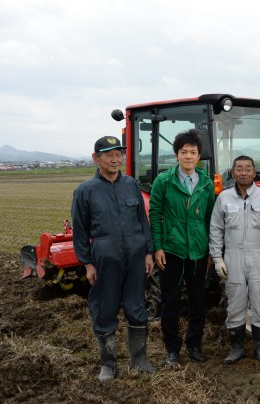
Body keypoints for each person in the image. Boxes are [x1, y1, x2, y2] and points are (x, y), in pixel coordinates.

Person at [71, 136, 156, 382]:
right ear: (96, 158)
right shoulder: (85, 190)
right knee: (105, 308)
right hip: (105, 260)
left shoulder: (131, 185)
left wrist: (148, 252)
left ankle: (139, 360)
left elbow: (143, 221)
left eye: (119, 154)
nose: (115, 159)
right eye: (109, 154)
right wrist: (87, 263)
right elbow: (80, 231)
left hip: (136, 257)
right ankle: (108, 364)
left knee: (137, 306)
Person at [149, 129, 215, 367]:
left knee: (198, 301)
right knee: (171, 301)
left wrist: (210, 250)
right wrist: (158, 247)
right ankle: (172, 349)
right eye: (184, 152)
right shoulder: (164, 181)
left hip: (198, 251)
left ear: (199, 156)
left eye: (193, 152)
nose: (188, 156)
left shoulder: (206, 184)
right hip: (172, 251)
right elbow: (155, 215)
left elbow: (210, 219)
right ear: (176, 155)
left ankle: (195, 345)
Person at [209, 155, 260, 365]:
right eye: (239, 169)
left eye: (248, 169)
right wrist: (218, 258)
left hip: (259, 255)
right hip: (233, 256)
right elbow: (216, 229)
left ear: (254, 171)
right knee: (235, 302)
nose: (244, 173)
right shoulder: (224, 198)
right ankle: (236, 348)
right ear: (233, 172)